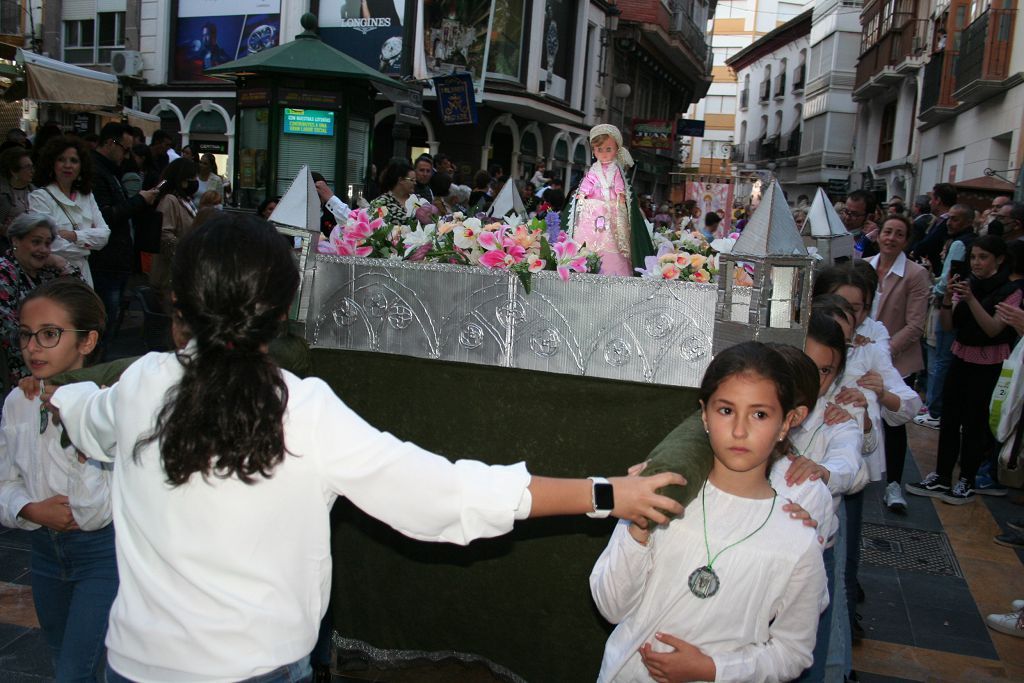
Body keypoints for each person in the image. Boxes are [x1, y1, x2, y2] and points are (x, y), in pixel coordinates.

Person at [48, 213, 684, 681]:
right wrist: (608, 493)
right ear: (283, 307)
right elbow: (447, 495)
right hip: (257, 669)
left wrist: (55, 393)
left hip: (135, 666)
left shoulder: (139, 386)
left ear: (178, 301)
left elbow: (83, 415)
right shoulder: (304, 410)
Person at [590, 341, 827, 682]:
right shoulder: (662, 494)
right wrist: (638, 527)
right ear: (704, 414)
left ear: (786, 423)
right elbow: (611, 607)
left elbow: (793, 651)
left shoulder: (796, 540)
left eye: (759, 414)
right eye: (726, 410)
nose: (740, 430)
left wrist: (714, 669)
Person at [0, 279, 115, 680]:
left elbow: (96, 510)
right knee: (59, 653)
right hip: (44, 551)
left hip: (102, 553)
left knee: (75, 671)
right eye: (27, 335)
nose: (33, 347)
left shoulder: (107, 403)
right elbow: (5, 479)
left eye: (50, 335)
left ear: (87, 341)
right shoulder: (19, 402)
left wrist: (78, 427)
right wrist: (29, 507)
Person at [907, 235, 1020, 503]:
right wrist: (948, 299)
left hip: (989, 363)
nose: (976, 263)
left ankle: (967, 479)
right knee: (950, 419)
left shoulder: (1011, 290)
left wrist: (970, 300)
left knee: (974, 424)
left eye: (983, 257)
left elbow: (993, 329)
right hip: (961, 356)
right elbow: (949, 326)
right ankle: (942, 475)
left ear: (999, 259)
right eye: (973, 257)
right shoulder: (967, 284)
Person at [867, 216, 931, 512]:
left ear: (906, 241)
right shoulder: (865, 265)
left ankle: (893, 484)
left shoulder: (915, 274)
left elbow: (916, 324)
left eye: (899, 234)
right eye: (887, 232)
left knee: (894, 419)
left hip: (896, 358)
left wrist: (883, 352)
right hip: (861, 354)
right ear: (879, 235)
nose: (891, 238)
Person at [88, 123, 159, 341]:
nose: (127, 155)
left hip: (116, 259)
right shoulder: (98, 172)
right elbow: (107, 216)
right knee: (103, 323)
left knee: (110, 320)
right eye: (125, 149)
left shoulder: (110, 171)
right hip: (105, 260)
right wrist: (140, 200)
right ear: (110, 143)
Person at [0, 213, 81, 388]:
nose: (43, 250)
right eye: (36, 242)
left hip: (55, 358)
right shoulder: (4, 271)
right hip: (19, 368)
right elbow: (8, 332)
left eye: (47, 243)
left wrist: (63, 265)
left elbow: (81, 300)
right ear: (15, 241)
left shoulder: (49, 272)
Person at [915, 202, 976, 429]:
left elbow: (948, 277)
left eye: (955, 219)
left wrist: (936, 290)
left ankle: (934, 409)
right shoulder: (966, 240)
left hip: (947, 305)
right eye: (948, 219)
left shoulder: (960, 243)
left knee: (938, 357)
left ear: (968, 222)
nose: (949, 223)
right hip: (956, 304)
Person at [563, 124, 654, 276]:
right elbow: (588, 182)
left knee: (613, 238)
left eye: (608, 149)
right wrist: (583, 193)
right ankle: (586, 257)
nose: (604, 154)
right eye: (600, 150)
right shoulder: (593, 170)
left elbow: (619, 183)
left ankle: (614, 266)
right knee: (590, 232)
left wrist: (620, 192)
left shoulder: (616, 169)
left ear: (617, 150)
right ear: (594, 151)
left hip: (613, 207)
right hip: (594, 207)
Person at [28, 136, 110, 287]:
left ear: (81, 166)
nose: (68, 165)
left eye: (74, 161)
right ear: (52, 163)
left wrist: (73, 235)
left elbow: (104, 235)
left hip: (84, 273)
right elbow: (49, 244)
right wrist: (88, 245)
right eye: (61, 159)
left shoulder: (87, 195)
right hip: (54, 274)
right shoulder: (40, 197)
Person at [150, 158, 197, 295]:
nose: (196, 181)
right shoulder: (170, 201)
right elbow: (165, 236)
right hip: (168, 277)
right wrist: (185, 253)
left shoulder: (185, 201)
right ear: (183, 180)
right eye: (193, 178)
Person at [910, 182, 957, 275]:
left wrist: (915, 250)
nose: (930, 203)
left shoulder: (947, 223)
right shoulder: (937, 220)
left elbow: (929, 243)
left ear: (938, 200)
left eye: (931, 199)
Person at [0, 147, 35, 247]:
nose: (32, 171)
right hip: (8, 246)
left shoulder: (36, 191)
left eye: (32, 167)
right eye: (28, 167)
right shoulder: (3, 194)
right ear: (14, 171)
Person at [840, 190, 880, 259]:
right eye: (846, 211)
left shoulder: (876, 240)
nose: (847, 217)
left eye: (854, 214)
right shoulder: (833, 229)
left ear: (870, 217)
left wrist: (873, 241)